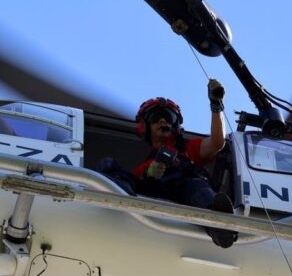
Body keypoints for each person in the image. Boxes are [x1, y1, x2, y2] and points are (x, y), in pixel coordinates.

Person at [98, 79, 237, 248]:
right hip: (150, 194)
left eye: (169, 118)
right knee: (109, 166)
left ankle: (218, 225)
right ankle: (117, 206)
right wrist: (149, 175)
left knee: (196, 185)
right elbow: (138, 182)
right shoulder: (142, 167)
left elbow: (217, 142)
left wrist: (216, 106)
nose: (163, 122)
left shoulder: (188, 149)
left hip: (184, 192)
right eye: (156, 117)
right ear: (145, 126)